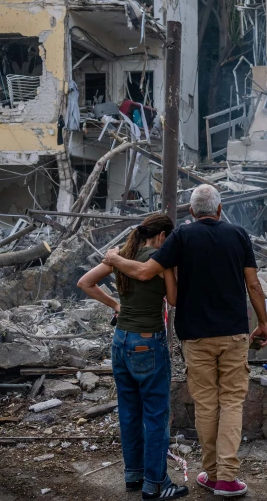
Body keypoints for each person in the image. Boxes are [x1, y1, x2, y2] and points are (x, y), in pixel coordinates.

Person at [104, 184, 267, 498]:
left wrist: (113, 258)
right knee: (232, 401)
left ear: (192, 212)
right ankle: (227, 478)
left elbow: (143, 272)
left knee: (207, 404)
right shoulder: (238, 235)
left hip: (195, 336)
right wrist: (263, 323)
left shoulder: (181, 236)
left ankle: (212, 473)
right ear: (219, 210)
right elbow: (253, 284)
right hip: (234, 333)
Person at [77, 214, 188, 500]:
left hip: (120, 341)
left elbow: (85, 283)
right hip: (148, 342)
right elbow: (174, 300)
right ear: (163, 237)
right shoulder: (159, 260)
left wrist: (116, 304)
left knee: (128, 412)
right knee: (155, 415)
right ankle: (157, 484)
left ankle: (134, 476)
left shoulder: (122, 256)